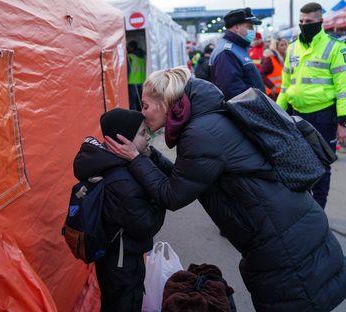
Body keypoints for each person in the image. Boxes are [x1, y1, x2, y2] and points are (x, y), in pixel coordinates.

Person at [105, 66, 346, 311]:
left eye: (145, 106)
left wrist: (136, 158)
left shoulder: (199, 133)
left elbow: (172, 195)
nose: (142, 114)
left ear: (165, 102)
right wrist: (148, 154)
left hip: (283, 245)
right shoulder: (205, 120)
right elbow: (184, 179)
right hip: (287, 230)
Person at [73, 108, 165, 312]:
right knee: (124, 303)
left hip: (115, 256)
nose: (148, 137)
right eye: (142, 133)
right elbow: (146, 224)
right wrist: (160, 199)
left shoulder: (114, 165)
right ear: (123, 141)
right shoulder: (123, 184)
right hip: (123, 264)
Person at [277, 2, 346, 209]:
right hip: (298, 116)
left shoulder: (335, 47)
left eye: (309, 21)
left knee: (322, 167)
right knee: (300, 165)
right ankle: (305, 209)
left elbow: (343, 86)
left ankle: (319, 213)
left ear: (320, 22)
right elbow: (285, 85)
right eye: (301, 21)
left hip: (324, 117)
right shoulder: (292, 47)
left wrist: (343, 122)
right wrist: (278, 113)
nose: (304, 24)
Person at [209, 7, 265, 101]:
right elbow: (235, 94)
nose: (253, 31)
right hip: (244, 112)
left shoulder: (238, 48)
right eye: (249, 27)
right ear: (236, 27)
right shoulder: (226, 52)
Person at [127, 41, 146, 111]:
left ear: (132, 47)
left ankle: (133, 115)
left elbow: (128, 70)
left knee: (133, 101)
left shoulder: (130, 57)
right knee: (140, 100)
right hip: (141, 80)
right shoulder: (142, 55)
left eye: (128, 47)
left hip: (132, 81)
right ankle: (140, 112)